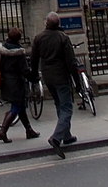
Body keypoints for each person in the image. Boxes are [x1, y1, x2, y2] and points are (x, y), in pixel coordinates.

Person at [30, 12, 79, 159]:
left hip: (48, 77)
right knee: (67, 108)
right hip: (61, 77)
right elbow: (71, 62)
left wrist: (34, 76)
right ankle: (56, 138)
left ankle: (67, 135)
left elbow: (34, 59)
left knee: (60, 105)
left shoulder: (38, 38)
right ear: (58, 25)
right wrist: (77, 82)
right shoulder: (63, 38)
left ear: (46, 23)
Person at [0, 27, 40, 143]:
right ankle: (2, 132)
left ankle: (29, 130)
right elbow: (24, 70)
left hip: (5, 81)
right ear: (18, 39)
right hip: (16, 83)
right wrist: (33, 77)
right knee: (16, 107)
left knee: (20, 106)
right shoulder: (19, 52)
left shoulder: (2, 49)